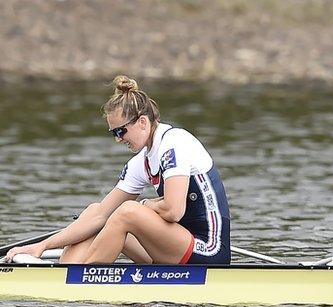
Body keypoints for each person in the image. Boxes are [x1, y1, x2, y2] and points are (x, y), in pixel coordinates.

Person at [6, 75, 231, 264]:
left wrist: (145, 205)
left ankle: (78, 283)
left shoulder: (174, 144)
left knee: (127, 212)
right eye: (113, 133)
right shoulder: (141, 162)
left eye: (121, 131)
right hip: (174, 246)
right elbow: (101, 214)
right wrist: (41, 247)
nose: (118, 139)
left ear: (143, 122)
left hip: (207, 250)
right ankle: (63, 277)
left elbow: (174, 211)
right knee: (96, 214)